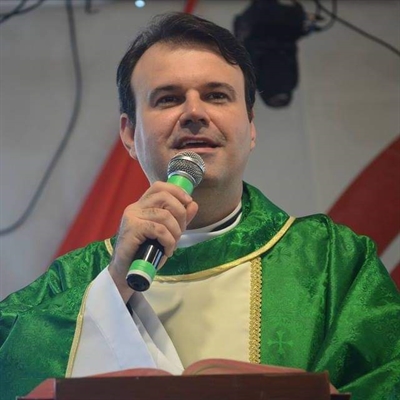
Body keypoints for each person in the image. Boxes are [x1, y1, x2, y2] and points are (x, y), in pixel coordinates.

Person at [1, 12, 399, 400]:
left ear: (250, 125)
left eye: (216, 95)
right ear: (129, 133)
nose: (194, 113)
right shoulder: (75, 280)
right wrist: (112, 289)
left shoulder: (334, 262)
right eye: (168, 98)